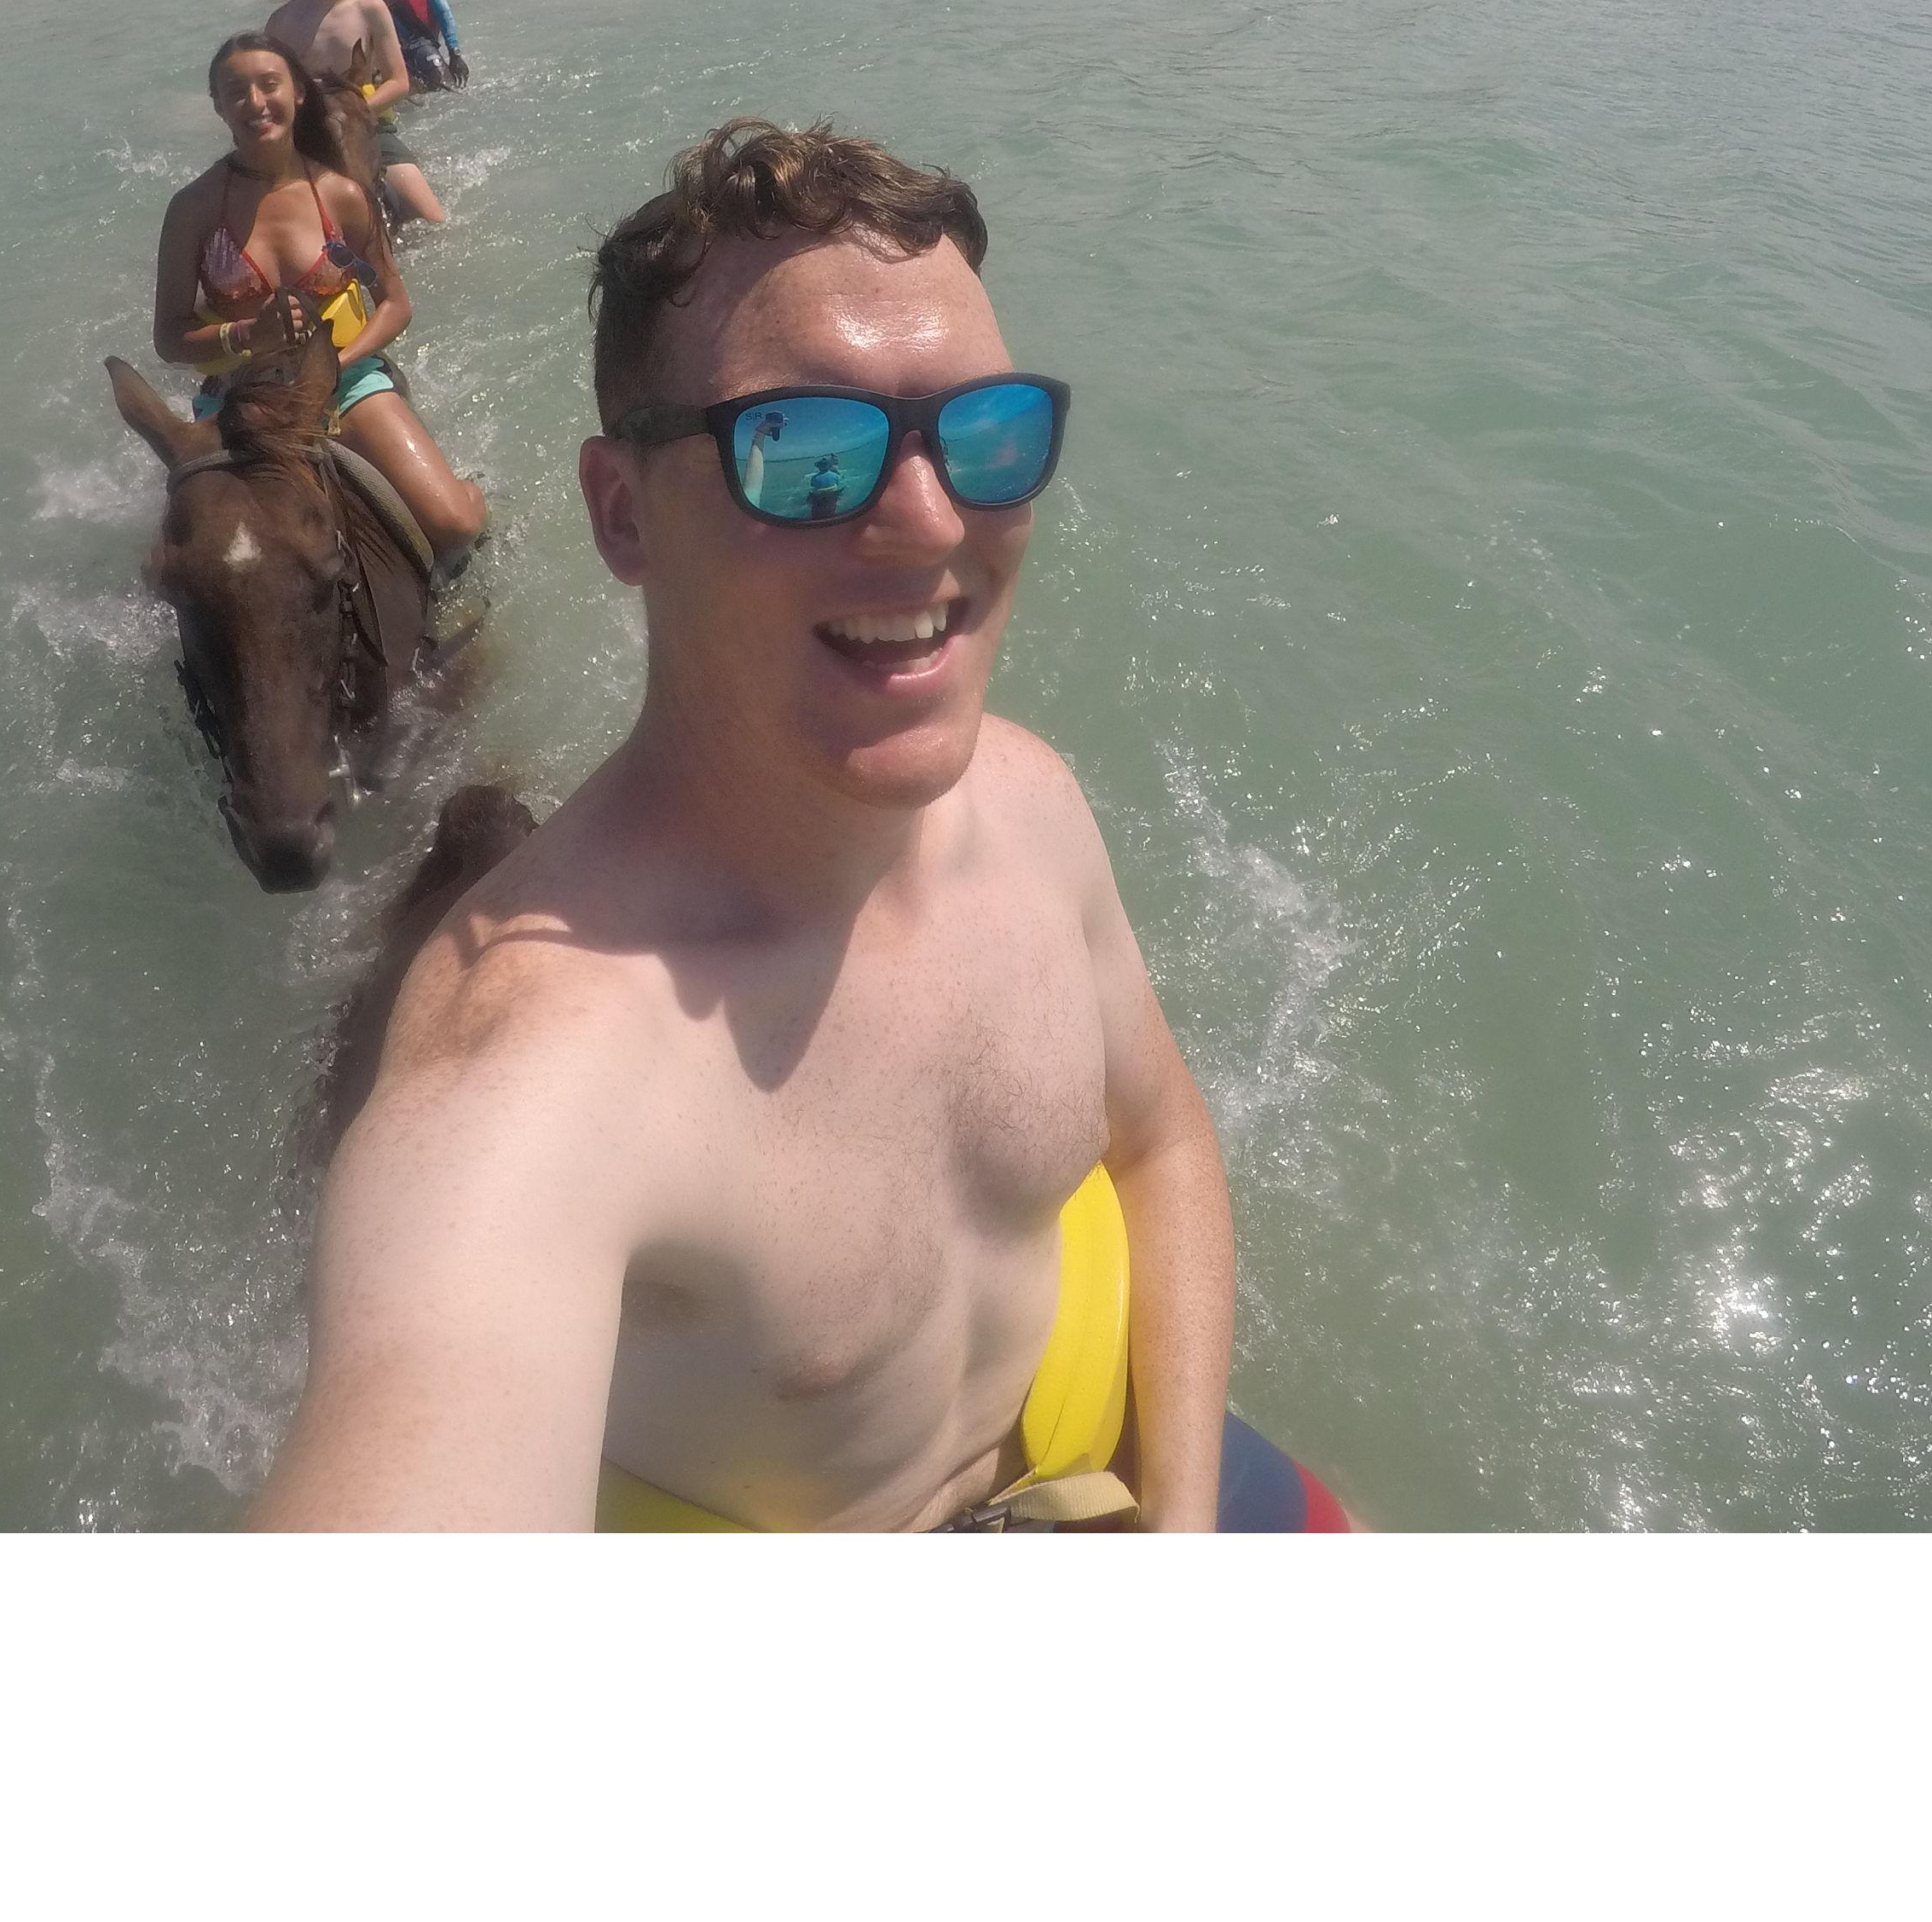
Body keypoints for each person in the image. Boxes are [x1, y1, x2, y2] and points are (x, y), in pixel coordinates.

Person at [253, 118, 1300, 1532]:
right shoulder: (535, 1074)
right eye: (803, 448)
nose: (929, 522)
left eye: (983, 436)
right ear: (621, 514)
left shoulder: (1032, 804)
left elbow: (1160, 1141)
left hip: (1111, 1453)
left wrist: (1175, 1532)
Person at [153, 35, 487, 559]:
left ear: (298, 94)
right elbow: (168, 338)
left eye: (269, 85)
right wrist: (245, 335)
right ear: (219, 107)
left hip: (345, 382)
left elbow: (395, 304)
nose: (256, 102)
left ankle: (479, 499)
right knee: (190, 567)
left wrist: (334, 364)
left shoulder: (341, 195)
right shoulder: (192, 209)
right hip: (241, 394)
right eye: (236, 92)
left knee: (454, 524)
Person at [264, 0, 446, 229]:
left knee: (432, 219)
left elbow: (398, 82)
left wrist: (346, 117)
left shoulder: (371, 9)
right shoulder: (280, 22)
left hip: (369, 124)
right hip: (308, 134)